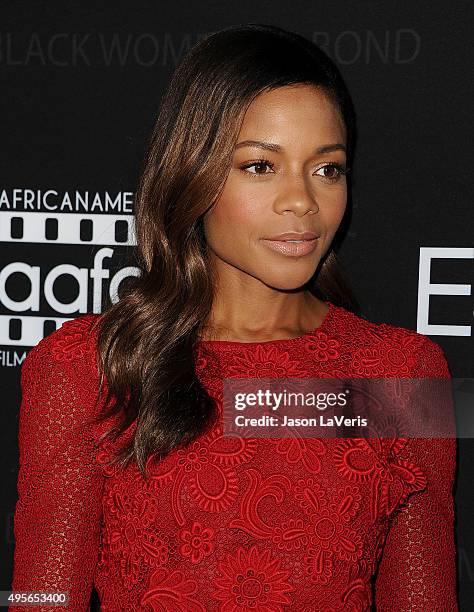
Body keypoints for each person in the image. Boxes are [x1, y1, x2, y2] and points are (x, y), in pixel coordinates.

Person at [10, 23, 458, 611]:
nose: (302, 200)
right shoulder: (88, 366)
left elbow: (424, 602)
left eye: (327, 168)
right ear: (192, 173)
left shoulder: (400, 373)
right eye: (259, 166)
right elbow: (39, 600)